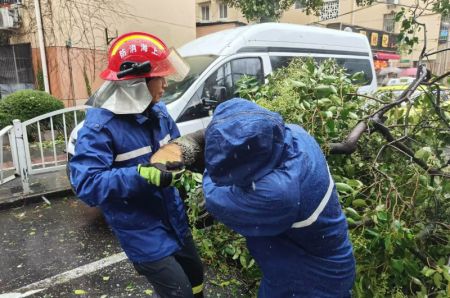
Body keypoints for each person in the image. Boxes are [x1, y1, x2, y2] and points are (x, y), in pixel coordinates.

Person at [169, 98, 355, 297]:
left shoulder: (277, 194)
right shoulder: (295, 134)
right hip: (290, 266)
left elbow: (215, 196)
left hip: (313, 281)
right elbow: (242, 122)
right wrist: (216, 135)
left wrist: (206, 160)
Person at [69, 32, 204, 298]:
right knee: (179, 292)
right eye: (159, 78)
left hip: (174, 219)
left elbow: (176, 151)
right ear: (136, 84)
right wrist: (142, 175)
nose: (165, 84)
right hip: (142, 231)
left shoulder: (159, 112)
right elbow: (86, 185)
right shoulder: (99, 128)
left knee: (195, 278)